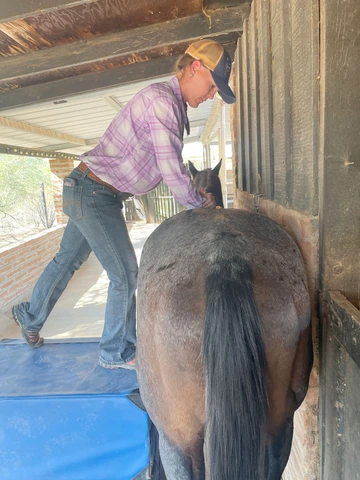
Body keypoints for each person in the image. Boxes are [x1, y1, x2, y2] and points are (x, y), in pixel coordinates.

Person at [12, 39, 236, 370]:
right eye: (212, 86)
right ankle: (115, 350)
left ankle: (29, 318)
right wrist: (202, 203)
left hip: (87, 187)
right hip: (94, 193)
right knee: (126, 273)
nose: (211, 95)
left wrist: (196, 196)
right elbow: (173, 171)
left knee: (66, 262)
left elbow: (169, 168)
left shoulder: (170, 104)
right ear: (195, 67)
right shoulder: (163, 104)